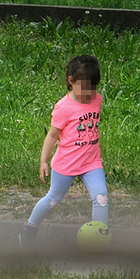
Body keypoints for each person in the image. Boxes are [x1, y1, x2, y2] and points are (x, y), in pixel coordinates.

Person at [20, 54, 106, 246]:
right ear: (71, 81)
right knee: (53, 199)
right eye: (85, 87)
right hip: (66, 164)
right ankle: (29, 228)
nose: (90, 92)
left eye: (94, 87)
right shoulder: (64, 108)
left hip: (91, 162)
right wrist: (43, 161)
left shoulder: (96, 99)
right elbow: (51, 136)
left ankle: (99, 241)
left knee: (101, 197)